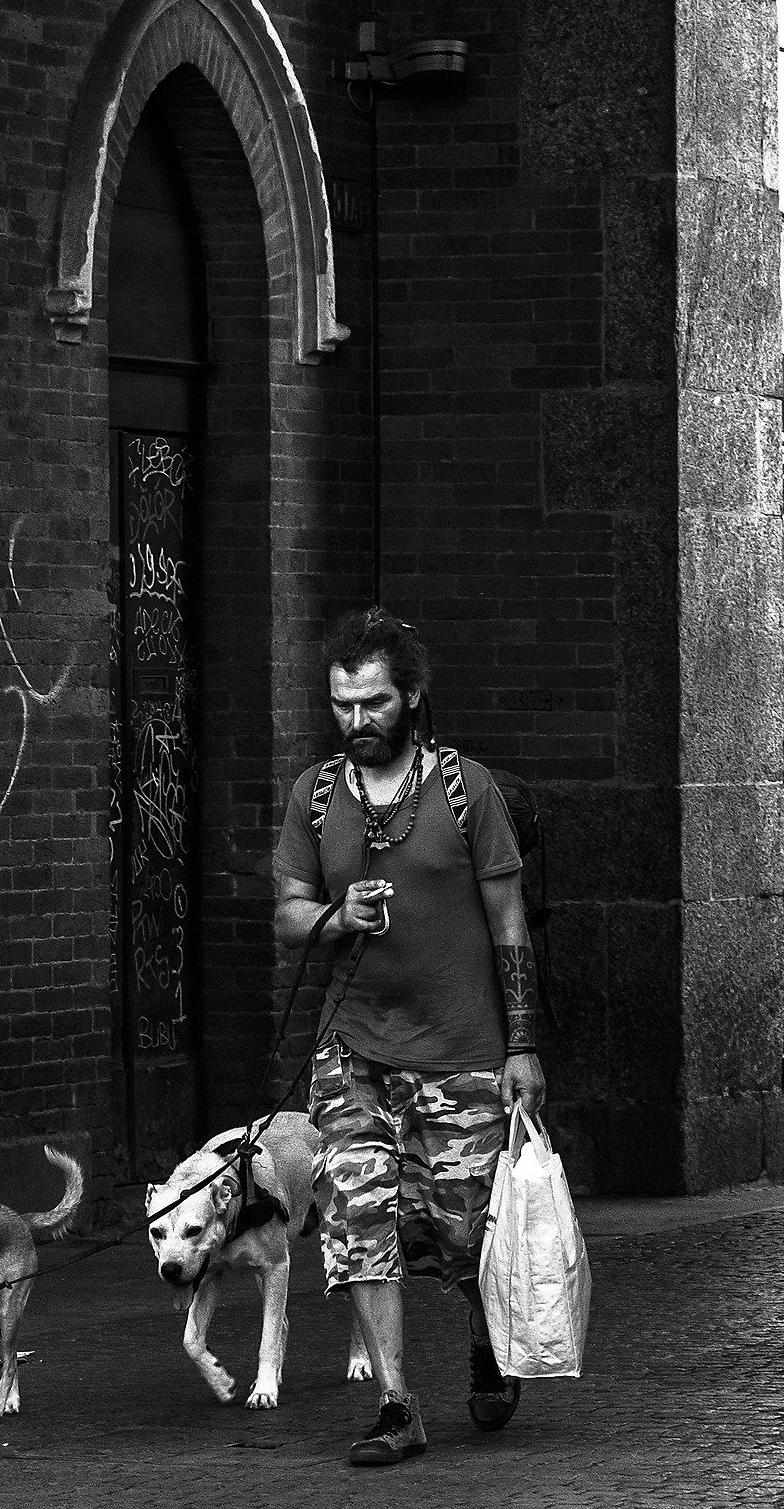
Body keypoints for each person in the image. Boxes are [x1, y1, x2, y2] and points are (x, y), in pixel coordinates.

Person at [272, 607, 545, 1468]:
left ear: (413, 696)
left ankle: (485, 1343)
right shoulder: (316, 796)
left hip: (462, 1050)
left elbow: (510, 920)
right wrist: (332, 913)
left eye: (375, 703)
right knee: (358, 1222)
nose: (357, 721)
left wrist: (523, 1044)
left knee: (464, 1234)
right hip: (351, 1051)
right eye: (343, 704)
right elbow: (286, 912)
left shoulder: (468, 790)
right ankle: (397, 1404)